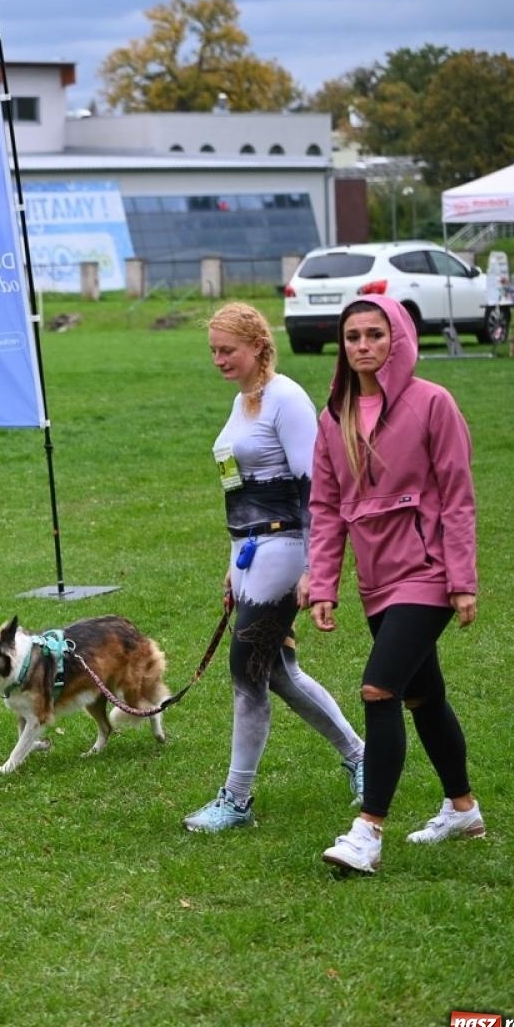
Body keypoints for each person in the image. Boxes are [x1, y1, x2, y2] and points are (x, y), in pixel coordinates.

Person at [308, 296, 484, 875]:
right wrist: (326, 582)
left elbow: (456, 495)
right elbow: (327, 506)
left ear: (397, 338)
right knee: (423, 697)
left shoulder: (433, 403)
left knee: (379, 691)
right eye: (353, 336)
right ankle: (463, 809)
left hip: (428, 573)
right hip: (375, 580)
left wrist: (462, 579)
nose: (363, 346)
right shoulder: (333, 414)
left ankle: (368, 831)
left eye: (375, 335)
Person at [183, 303, 366, 833]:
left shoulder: (285, 398)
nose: (218, 359)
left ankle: (236, 800)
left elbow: (317, 490)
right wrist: (230, 567)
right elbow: (238, 493)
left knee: (246, 673)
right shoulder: (244, 402)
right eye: (213, 350)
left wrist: (318, 567)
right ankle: (360, 756)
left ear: (258, 347)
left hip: (284, 553)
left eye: (227, 350)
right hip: (248, 556)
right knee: (279, 674)